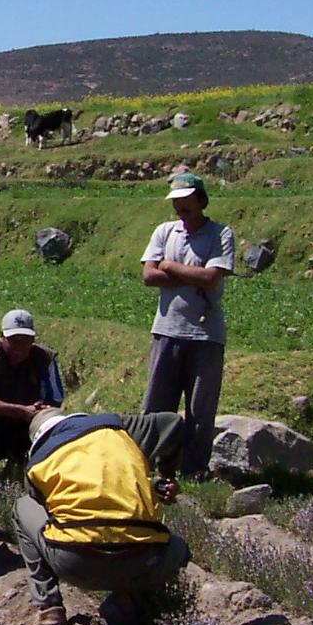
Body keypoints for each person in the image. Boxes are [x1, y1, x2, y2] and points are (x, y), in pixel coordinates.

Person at [13, 408, 190, 625]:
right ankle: (131, 601)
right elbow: (172, 422)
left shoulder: (38, 463)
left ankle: (50, 611)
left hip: (76, 563)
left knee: (23, 506)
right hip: (145, 562)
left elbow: (64, 506)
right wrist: (165, 477)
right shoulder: (114, 427)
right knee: (178, 547)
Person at [140, 171, 235, 481]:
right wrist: (190, 273)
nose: (180, 206)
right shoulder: (164, 232)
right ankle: (149, 465)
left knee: (200, 409)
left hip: (206, 334)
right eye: (176, 201)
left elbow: (211, 279)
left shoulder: (221, 234)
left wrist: (169, 266)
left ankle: (193, 470)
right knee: (156, 404)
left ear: (200, 199)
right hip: (167, 329)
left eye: (186, 200)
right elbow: (149, 276)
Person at [0, 309, 65, 470]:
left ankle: (31, 463)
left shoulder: (44, 358)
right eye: (13, 339)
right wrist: (22, 411)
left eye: (25, 340)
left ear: (33, 339)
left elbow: (55, 398)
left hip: (29, 421)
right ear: (2, 337)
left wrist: (39, 409)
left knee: (53, 421)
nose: (19, 346)